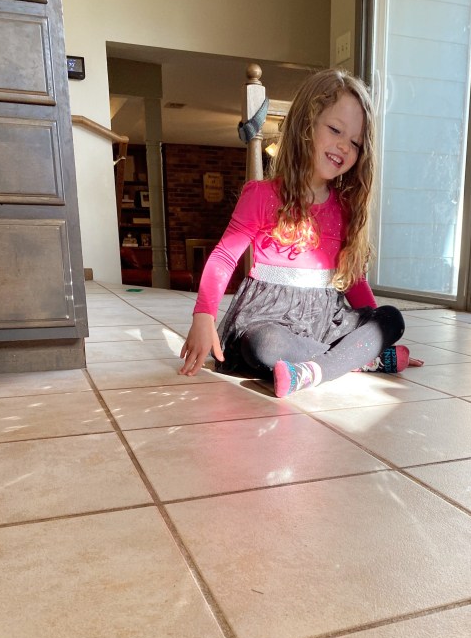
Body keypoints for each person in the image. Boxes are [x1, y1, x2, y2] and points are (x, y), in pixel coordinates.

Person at [179, 68, 422, 396]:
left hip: (326, 320)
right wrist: (203, 315)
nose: (344, 146)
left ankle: (315, 370)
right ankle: (359, 359)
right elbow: (224, 256)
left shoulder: (345, 208)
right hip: (269, 319)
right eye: (335, 129)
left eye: (355, 142)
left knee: (391, 319)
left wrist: (374, 331)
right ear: (306, 124)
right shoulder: (261, 195)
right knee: (264, 345)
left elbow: (353, 279)